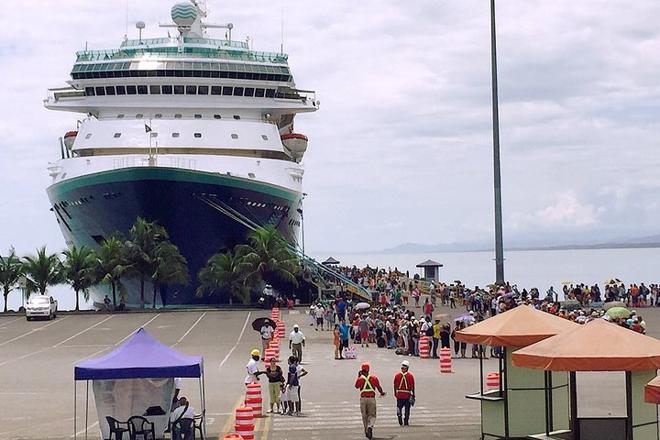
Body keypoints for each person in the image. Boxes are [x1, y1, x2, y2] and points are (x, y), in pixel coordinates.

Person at [354, 362, 386, 439]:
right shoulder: (374, 378)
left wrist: (359, 376)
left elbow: (356, 386)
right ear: (368, 370)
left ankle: (366, 431)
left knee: (364, 416)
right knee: (372, 415)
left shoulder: (361, 379)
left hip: (363, 399)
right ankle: (370, 427)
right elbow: (378, 387)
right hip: (371, 398)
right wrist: (382, 393)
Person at [393, 360, 415, 426]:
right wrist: (413, 395)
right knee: (407, 409)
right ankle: (406, 421)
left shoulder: (397, 375)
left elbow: (394, 385)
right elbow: (413, 386)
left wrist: (395, 393)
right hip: (407, 394)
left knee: (399, 407)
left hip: (399, 394)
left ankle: (399, 417)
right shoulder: (410, 376)